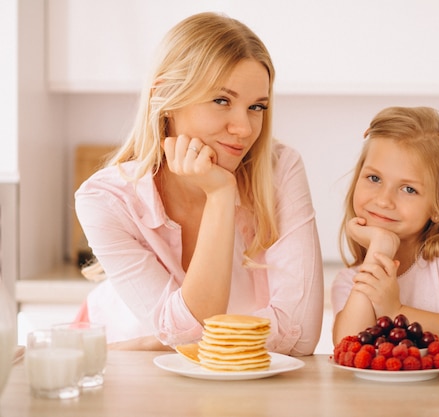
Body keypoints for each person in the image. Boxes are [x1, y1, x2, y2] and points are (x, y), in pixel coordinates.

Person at [74, 12, 324, 356]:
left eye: (256, 106)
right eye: (222, 100)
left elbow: (302, 337)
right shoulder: (105, 199)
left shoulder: (280, 169)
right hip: (125, 369)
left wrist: (163, 342)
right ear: (166, 98)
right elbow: (182, 335)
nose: (245, 128)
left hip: (212, 372)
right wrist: (221, 196)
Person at [331, 106, 439, 358]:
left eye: (409, 189)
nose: (384, 200)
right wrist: (379, 247)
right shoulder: (352, 282)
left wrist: (396, 311)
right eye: (374, 178)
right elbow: (347, 347)